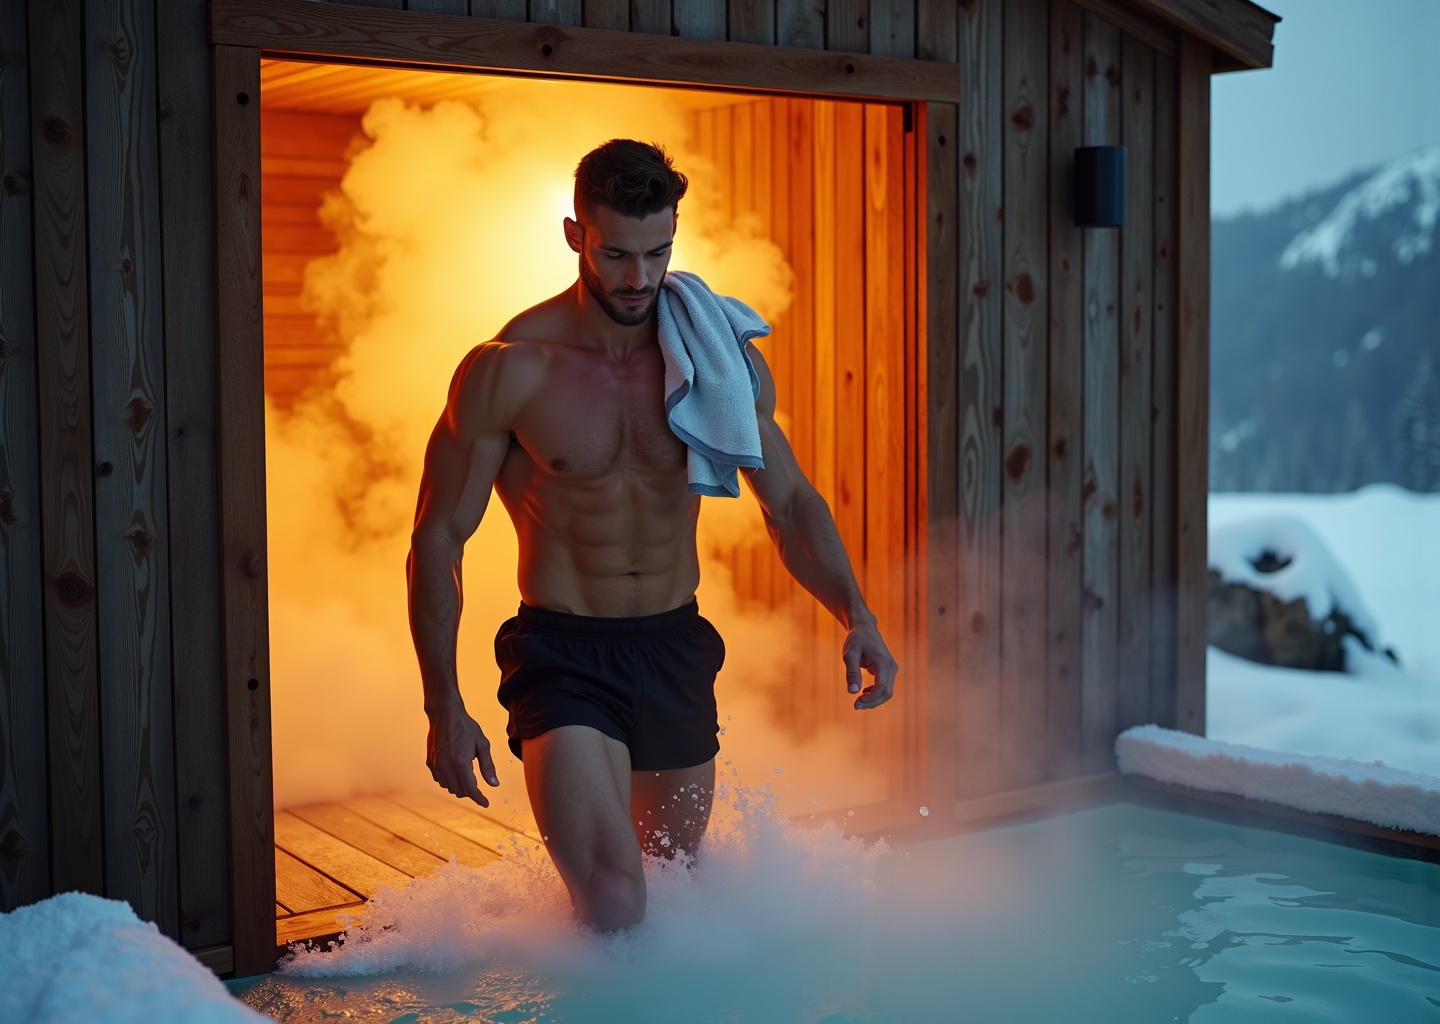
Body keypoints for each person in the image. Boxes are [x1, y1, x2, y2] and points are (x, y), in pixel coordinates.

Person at [407, 138, 898, 932]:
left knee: (673, 888)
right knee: (613, 900)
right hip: (564, 653)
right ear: (576, 236)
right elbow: (438, 538)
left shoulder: (713, 363)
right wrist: (443, 705)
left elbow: (789, 503)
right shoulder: (511, 367)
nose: (639, 278)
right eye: (616, 255)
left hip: (673, 646)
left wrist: (858, 615)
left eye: (658, 252)